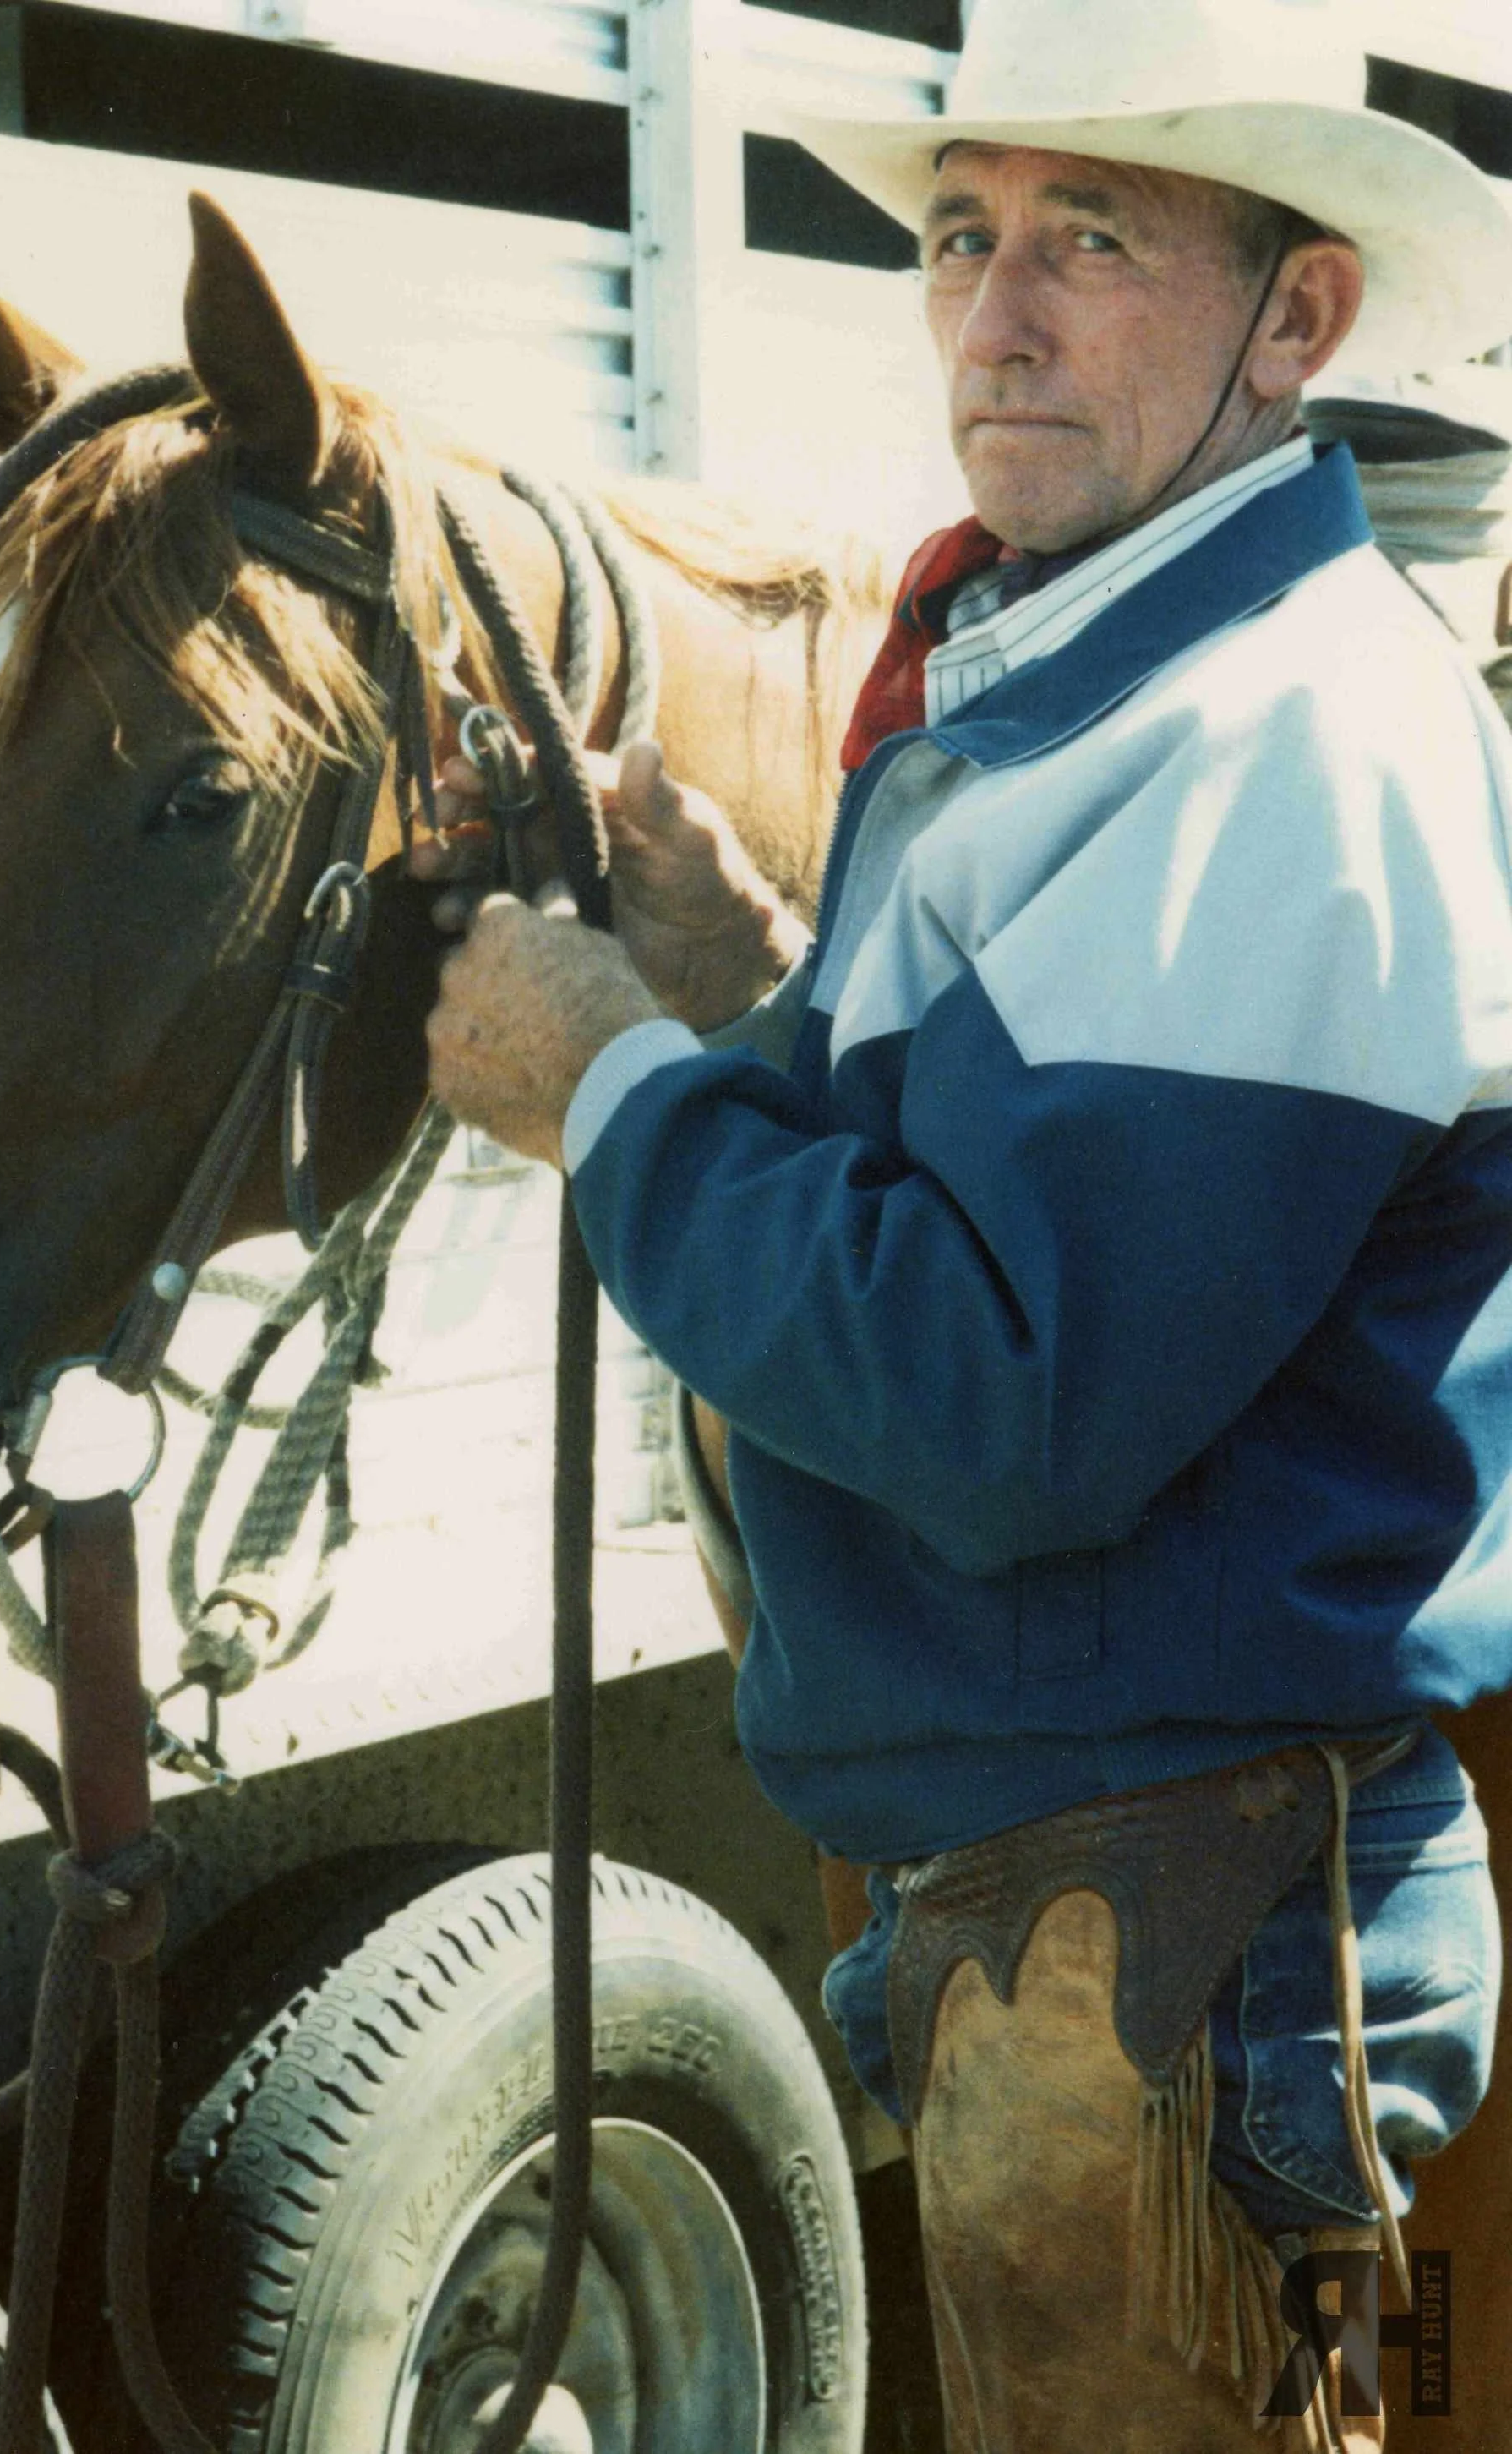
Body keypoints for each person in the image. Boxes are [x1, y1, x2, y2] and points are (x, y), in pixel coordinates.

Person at [421, 0, 1512, 2442]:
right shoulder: (1124, 684)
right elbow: (1035, 1194)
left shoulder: (1281, 731)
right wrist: (747, 993)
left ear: (1297, 319)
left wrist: (604, 1086)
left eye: (1091, 240)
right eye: (957, 236)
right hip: (1108, 1937)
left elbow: (1006, 1398)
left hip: (1176, 1958)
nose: (994, 317)